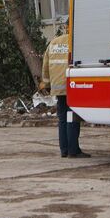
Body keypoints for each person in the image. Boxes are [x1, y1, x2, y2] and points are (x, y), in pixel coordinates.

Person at [39, 21, 85, 158]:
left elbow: (45, 66)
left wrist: (46, 84)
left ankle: (64, 150)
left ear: (65, 27)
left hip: (58, 89)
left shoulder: (53, 43)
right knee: (72, 118)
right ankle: (73, 150)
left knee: (63, 119)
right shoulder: (75, 43)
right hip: (70, 87)